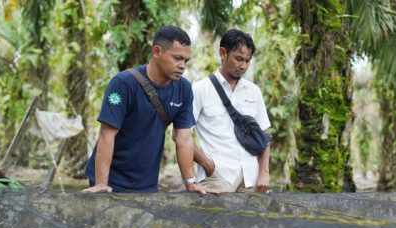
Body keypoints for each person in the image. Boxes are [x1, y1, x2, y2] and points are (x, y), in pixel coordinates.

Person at [84, 25, 218, 194]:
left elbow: (183, 139)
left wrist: (190, 182)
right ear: (156, 52)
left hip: (147, 183)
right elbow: (106, 134)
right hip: (112, 180)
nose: (182, 65)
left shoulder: (183, 89)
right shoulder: (123, 83)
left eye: (186, 60)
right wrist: (101, 184)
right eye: (177, 58)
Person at [192, 29, 271, 193]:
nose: (243, 66)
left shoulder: (254, 91)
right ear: (223, 53)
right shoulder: (200, 90)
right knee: (211, 219)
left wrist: (264, 172)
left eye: (247, 61)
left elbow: (263, 135)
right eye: (238, 59)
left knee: (253, 219)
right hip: (217, 176)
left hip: (251, 177)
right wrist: (205, 163)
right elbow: (180, 136)